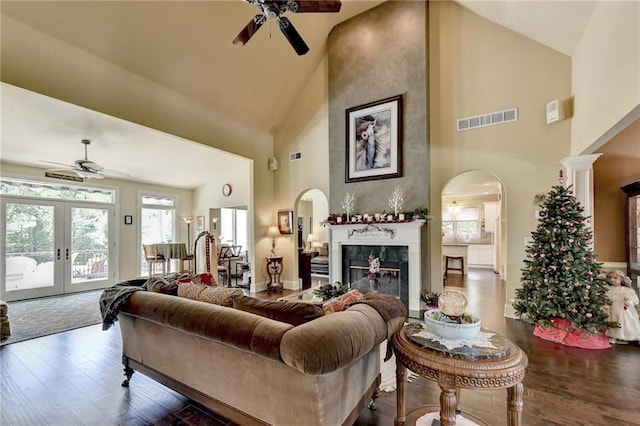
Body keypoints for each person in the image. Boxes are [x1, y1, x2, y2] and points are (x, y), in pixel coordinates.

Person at [604, 270, 640, 344]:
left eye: (615, 278)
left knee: (624, 322)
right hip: (612, 310)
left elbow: (635, 300)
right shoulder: (608, 290)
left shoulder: (626, 290)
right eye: (610, 278)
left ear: (621, 280)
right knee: (613, 321)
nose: (612, 279)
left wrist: (629, 302)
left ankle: (629, 336)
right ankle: (613, 336)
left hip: (623, 310)